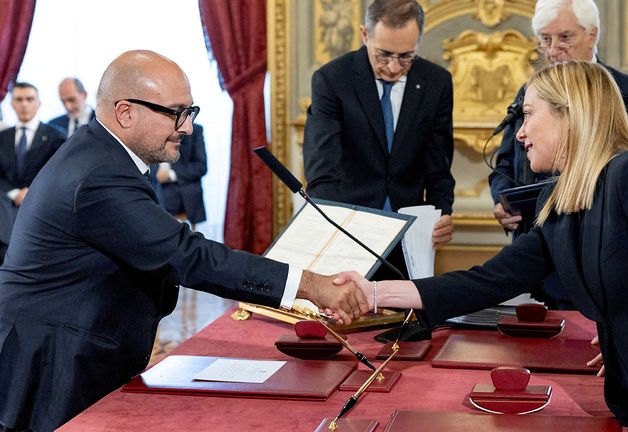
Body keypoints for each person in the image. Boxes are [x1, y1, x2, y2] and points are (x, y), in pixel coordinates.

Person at [337, 61, 628, 431]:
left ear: (570, 114)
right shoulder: (558, 198)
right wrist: (372, 293)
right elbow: (491, 280)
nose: (520, 133)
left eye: (528, 114)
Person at [0, 50, 367, 432]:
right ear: (126, 112)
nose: (187, 128)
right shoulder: (99, 175)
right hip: (51, 363)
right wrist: (310, 285)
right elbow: (187, 255)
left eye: (190, 112)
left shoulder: (105, 156)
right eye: (176, 112)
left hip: (75, 347)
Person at [488, 0, 628, 310]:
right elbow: (504, 163)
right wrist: (502, 202)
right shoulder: (530, 91)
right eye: (545, 39)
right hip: (535, 256)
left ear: (592, 35)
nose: (554, 50)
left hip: (595, 260)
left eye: (565, 37)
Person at [303, 0, 455, 268]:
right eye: (383, 54)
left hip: (409, 235)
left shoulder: (436, 82)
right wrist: (333, 227)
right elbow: (322, 168)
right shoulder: (332, 80)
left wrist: (441, 214)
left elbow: (438, 166)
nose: (394, 67)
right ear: (364, 35)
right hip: (347, 228)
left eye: (406, 56)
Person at [0, 82, 66, 208]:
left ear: (38, 103)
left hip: (43, 205)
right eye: (19, 99)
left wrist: (31, 193)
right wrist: (15, 193)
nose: (24, 104)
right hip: (5, 205)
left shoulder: (56, 137)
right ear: (12, 104)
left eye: (29, 99)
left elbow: (58, 175)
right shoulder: (2, 137)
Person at [154, 123, 208, 225]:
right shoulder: (149, 128)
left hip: (179, 189)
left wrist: (170, 175)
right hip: (153, 186)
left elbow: (200, 167)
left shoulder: (194, 130)